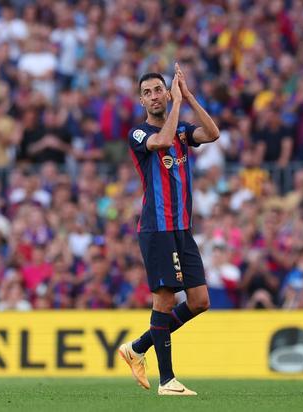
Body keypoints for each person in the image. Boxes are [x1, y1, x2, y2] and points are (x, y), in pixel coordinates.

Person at [118, 64, 219, 396]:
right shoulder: (139, 133)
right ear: (142, 101)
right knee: (164, 300)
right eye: (146, 93)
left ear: (166, 91)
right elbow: (161, 141)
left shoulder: (183, 129)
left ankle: (136, 348)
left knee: (200, 300)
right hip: (157, 228)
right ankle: (167, 380)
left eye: (157, 90)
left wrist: (188, 97)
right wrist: (176, 104)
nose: (152, 96)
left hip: (181, 228)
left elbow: (213, 133)